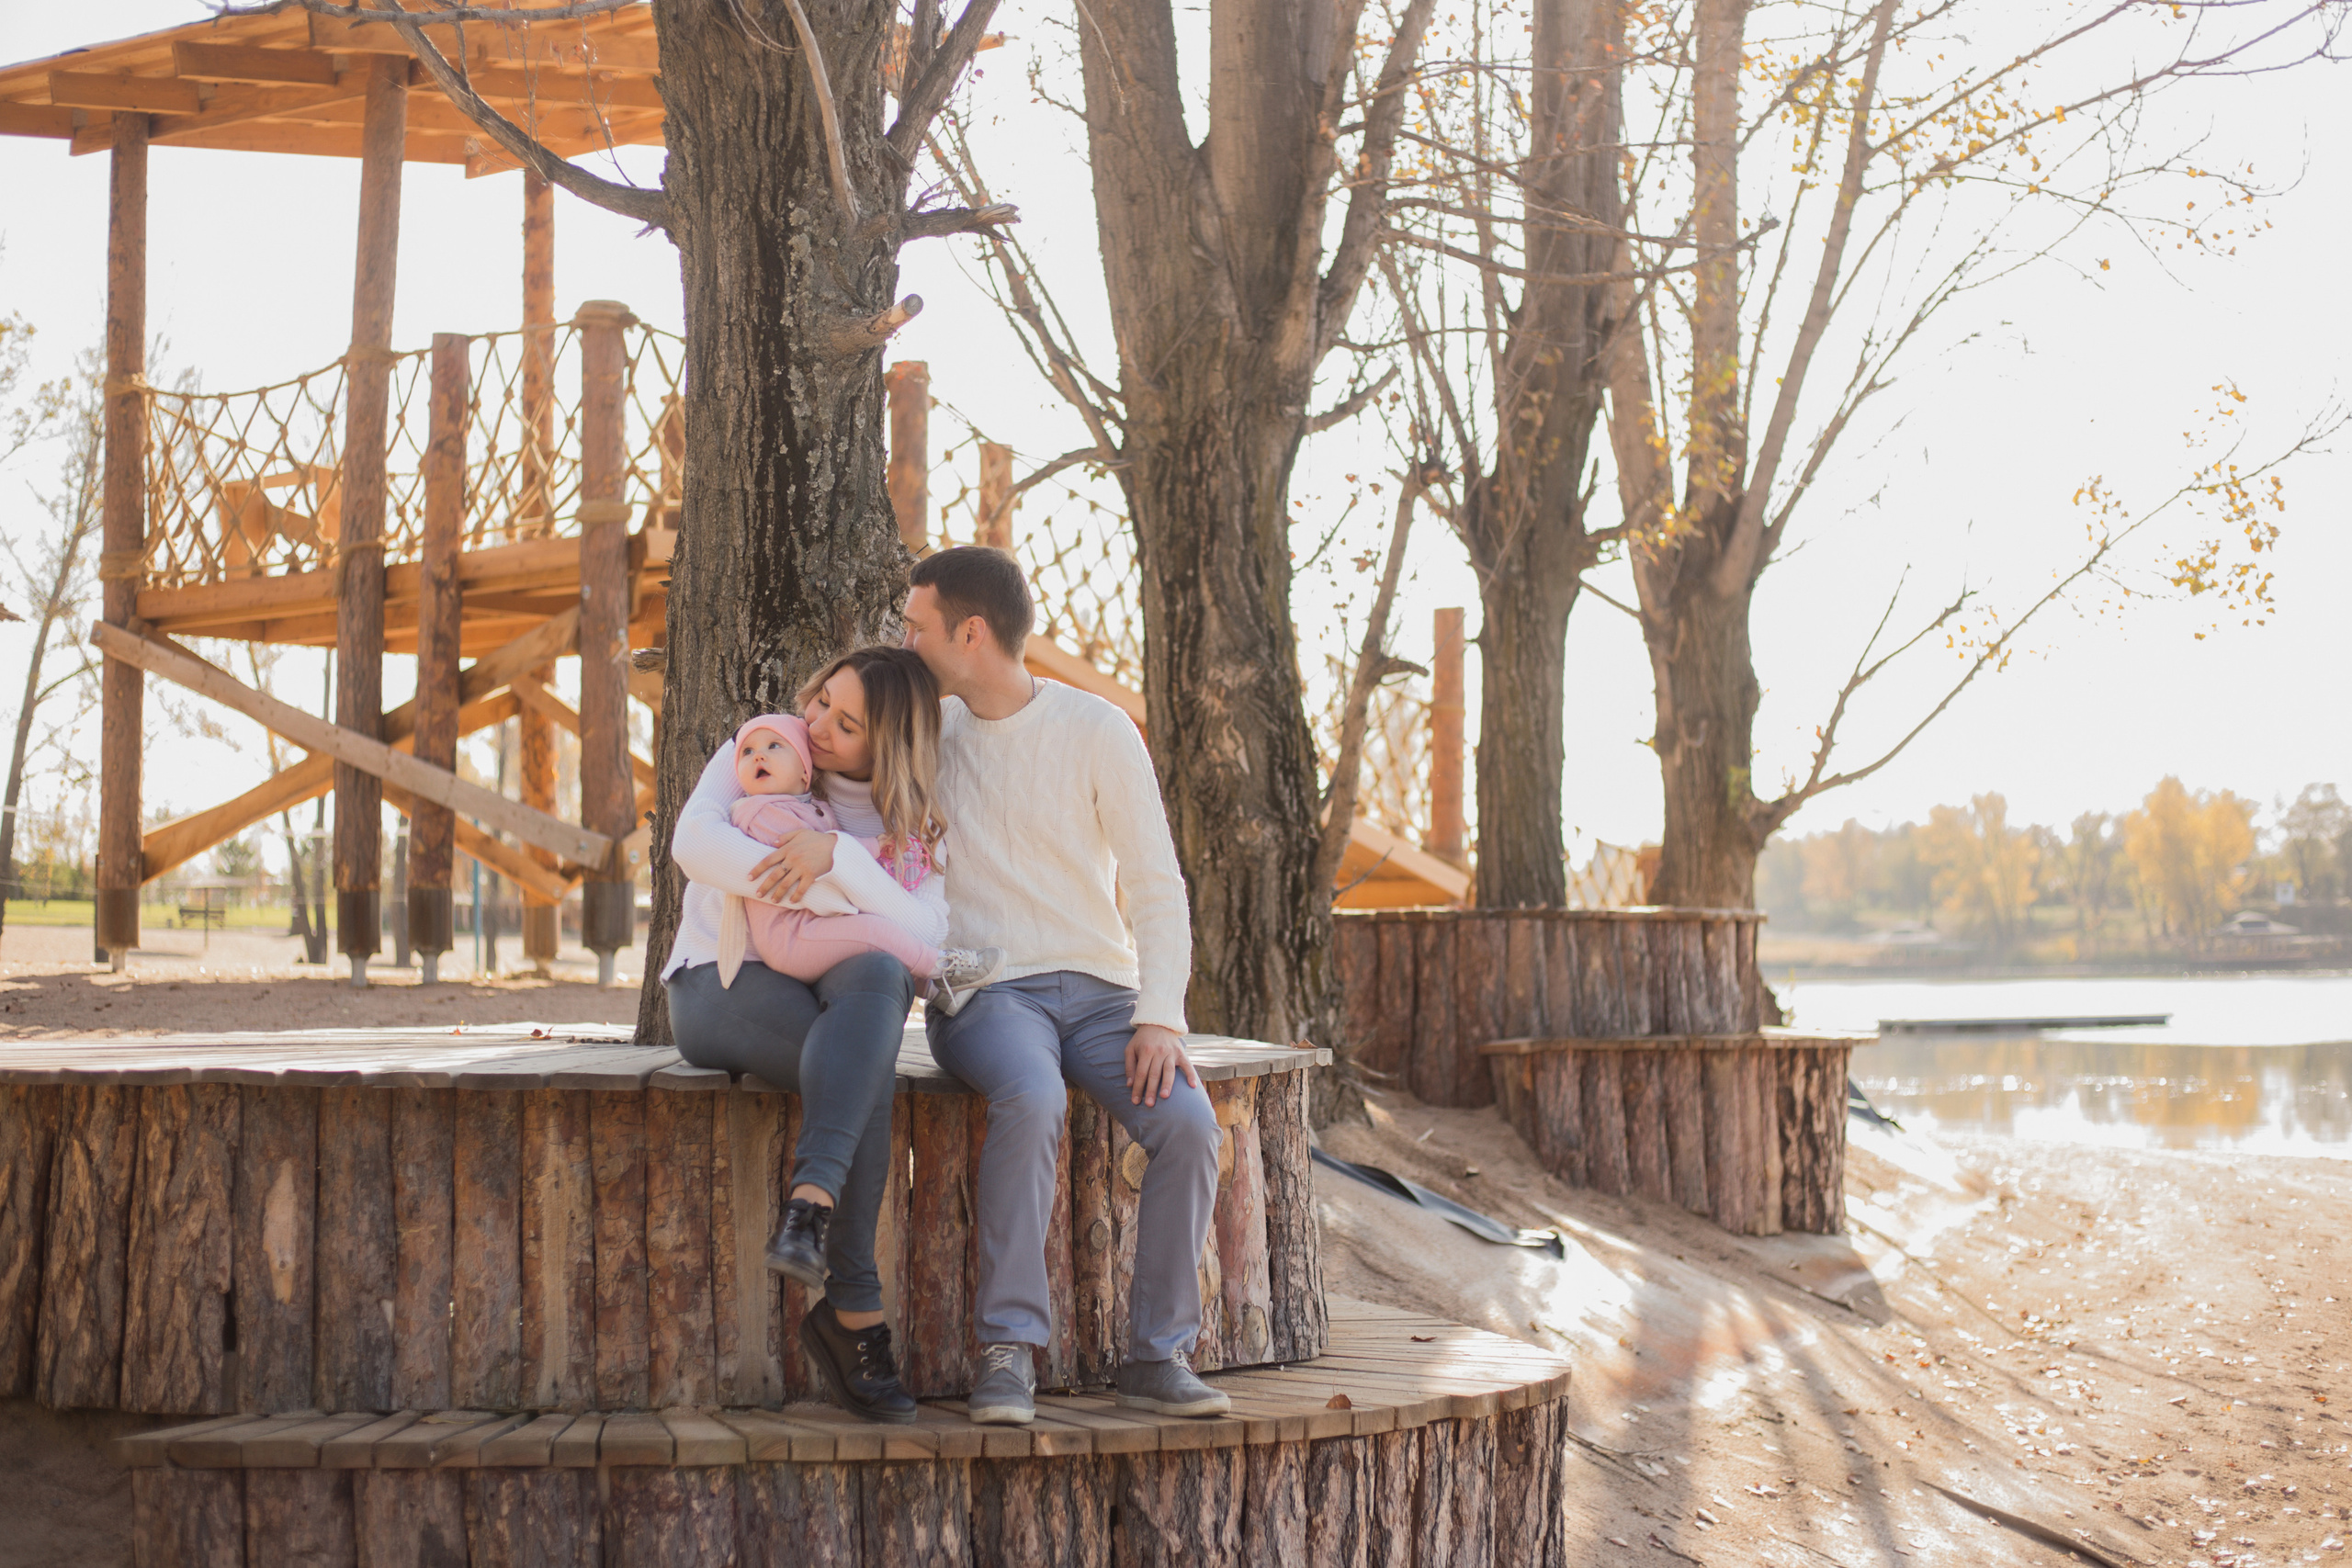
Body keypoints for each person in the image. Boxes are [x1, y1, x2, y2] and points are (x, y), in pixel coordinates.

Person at [898, 544, 1231, 1427]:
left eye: (915, 624)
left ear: (970, 633)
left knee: (1191, 1125)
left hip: (1102, 996)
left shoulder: (1098, 730)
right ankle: (1007, 1351)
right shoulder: (926, 736)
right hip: (988, 996)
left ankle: (1157, 1354)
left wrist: (1160, 1015)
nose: (904, 638)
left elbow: (1158, 886)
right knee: (1033, 1094)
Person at [662, 647, 948, 1425]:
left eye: (845, 723)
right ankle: (853, 1309)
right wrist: (835, 888)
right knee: (864, 1072)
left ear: (883, 748)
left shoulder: (908, 821)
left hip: (837, 986)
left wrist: (847, 854)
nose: (817, 724)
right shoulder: (764, 746)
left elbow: (926, 928)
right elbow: (695, 844)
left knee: (884, 976)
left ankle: (809, 1214)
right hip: (722, 982)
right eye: (823, 699)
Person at [717, 711, 1003, 1009]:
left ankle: (936, 991)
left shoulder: (811, 806)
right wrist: (875, 846)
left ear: (805, 770)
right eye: (747, 752)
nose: (758, 756)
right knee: (871, 930)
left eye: (773, 746)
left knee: (876, 938)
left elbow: (831, 854)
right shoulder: (761, 813)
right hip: (792, 935)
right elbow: (817, 862)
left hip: (811, 927)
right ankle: (945, 967)